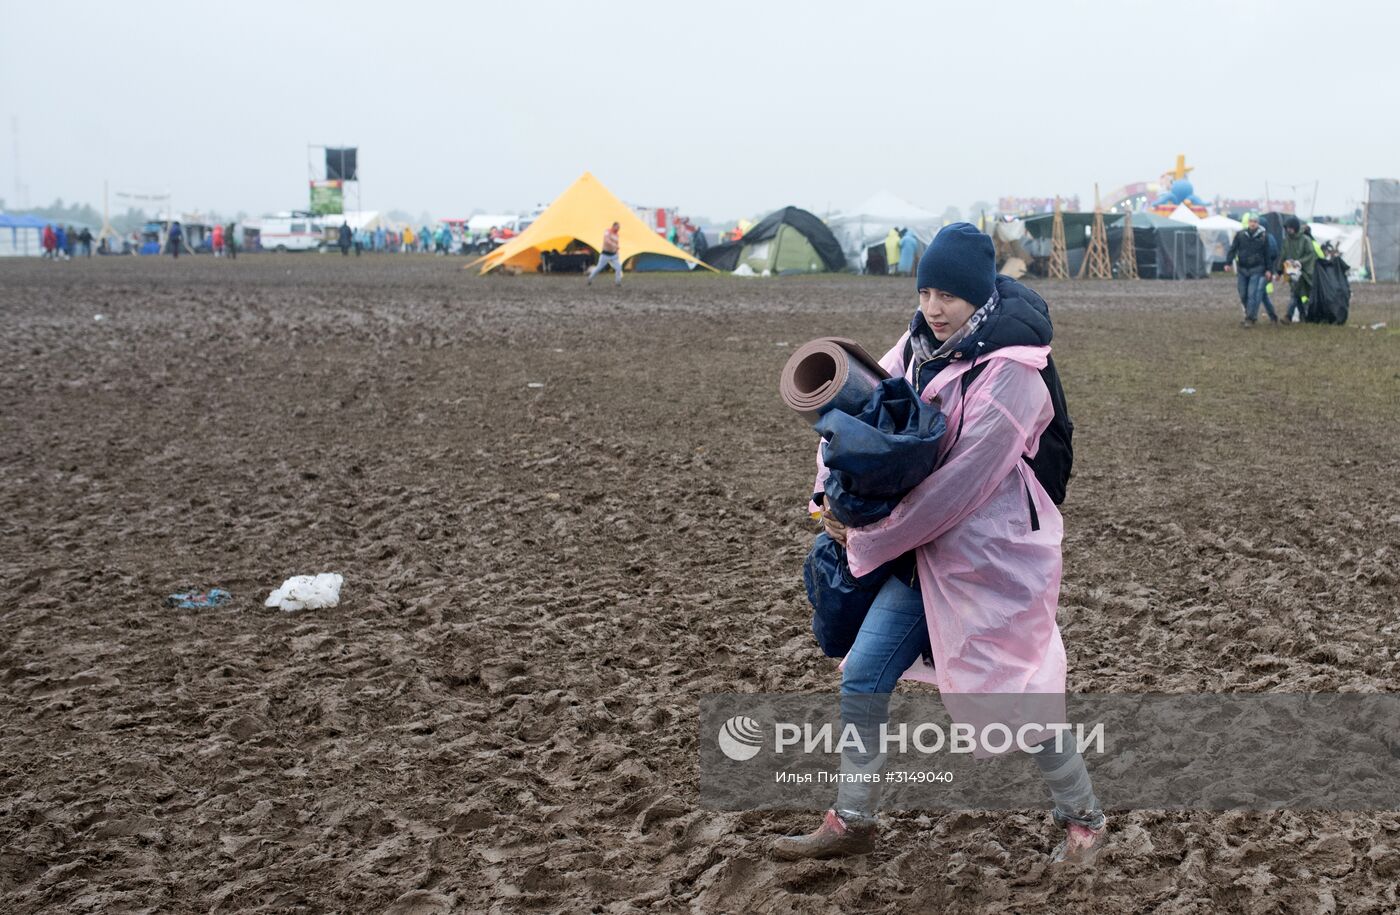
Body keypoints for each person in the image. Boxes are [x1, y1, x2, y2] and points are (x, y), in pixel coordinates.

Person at [773, 223, 1107, 866]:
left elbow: (961, 486)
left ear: (978, 295)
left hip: (986, 555)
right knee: (864, 676)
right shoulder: (919, 343)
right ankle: (852, 820)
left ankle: (1083, 818)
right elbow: (852, 422)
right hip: (917, 552)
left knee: (1019, 690)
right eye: (925, 290)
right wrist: (826, 491)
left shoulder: (1014, 375)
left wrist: (866, 536)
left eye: (948, 294)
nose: (933, 305)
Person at [1225, 214, 1275, 326]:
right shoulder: (1240, 235)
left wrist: (1268, 270)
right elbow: (1233, 249)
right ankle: (1250, 314)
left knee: (1252, 294)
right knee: (1243, 294)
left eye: (1255, 222)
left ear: (1258, 223)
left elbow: (1267, 254)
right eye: (1251, 221)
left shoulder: (1263, 237)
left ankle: (1249, 318)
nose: (1253, 224)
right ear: (1248, 222)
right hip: (1242, 269)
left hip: (1257, 269)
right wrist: (1228, 262)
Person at [1277, 216, 1317, 323]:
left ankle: (1289, 316)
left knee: (1295, 293)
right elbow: (1283, 255)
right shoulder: (1287, 240)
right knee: (1297, 293)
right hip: (1291, 269)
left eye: (1290, 228)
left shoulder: (1305, 239)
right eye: (1287, 228)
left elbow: (1310, 254)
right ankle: (1303, 315)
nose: (1288, 230)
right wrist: (1279, 270)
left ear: (1295, 227)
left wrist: (1300, 262)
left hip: (1304, 271)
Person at [586, 221, 623, 286]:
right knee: (599, 268)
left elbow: (617, 245)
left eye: (619, 228)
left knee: (618, 268)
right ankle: (590, 278)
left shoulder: (617, 235)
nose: (618, 229)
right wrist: (614, 245)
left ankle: (618, 282)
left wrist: (617, 253)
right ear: (613, 226)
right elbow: (606, 240)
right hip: (605, 254)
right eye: (617, 227)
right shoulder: (607, 231)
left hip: (613, 255)